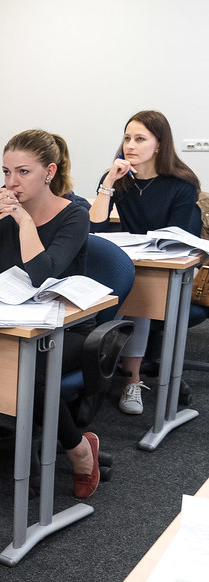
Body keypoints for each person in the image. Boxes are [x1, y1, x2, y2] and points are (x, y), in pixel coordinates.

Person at [0, 129, 99, 499]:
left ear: (49, 172)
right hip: (13, 319)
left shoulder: (75, 216)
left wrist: (23, 222)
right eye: (6, 172)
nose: (11, 182)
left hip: (65, 328)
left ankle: (79, 449)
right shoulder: (5, 213)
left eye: (23, 172)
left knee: (26, 369)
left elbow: (42, 274)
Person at [89, 110, 202, 415]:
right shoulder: (120, 179)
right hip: (132, 261)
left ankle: (132, 380)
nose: (130, 145)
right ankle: (96, 368)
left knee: (136, 296)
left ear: (159, 144)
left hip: (169, 270)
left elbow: (181, 240)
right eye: (127, 138)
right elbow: (94, 228)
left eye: (140, 139)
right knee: (113, 288)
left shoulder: (181, 184)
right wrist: (108, 182)